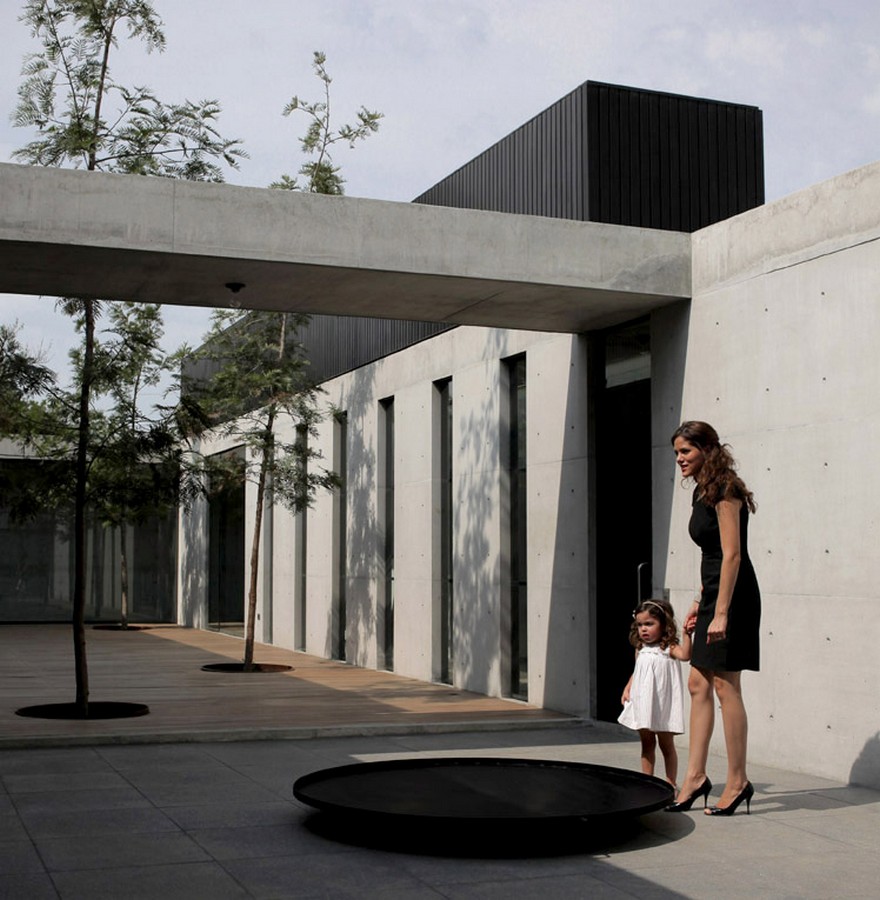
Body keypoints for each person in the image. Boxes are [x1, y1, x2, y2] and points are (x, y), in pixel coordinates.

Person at [667, 421, 761, 816]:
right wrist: (700, 602)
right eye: (676, 454)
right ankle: (695, 777)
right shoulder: (702, 491)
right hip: (713, 595)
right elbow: (710, 557)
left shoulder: (726, 490)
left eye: (685, 452)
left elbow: (732, 554)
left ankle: (738, 781)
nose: (679, 460)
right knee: (697, 683)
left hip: (735, 598)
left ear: (706, 448)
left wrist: (721, 612)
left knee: (725, 686)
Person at [619, 598, 692, 787]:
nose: (644, 629)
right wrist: (628, 688)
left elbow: (685, 656)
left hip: (662, 704)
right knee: (647, 744)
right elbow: (637, 671)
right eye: (640, 624)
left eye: (649, 624)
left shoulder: (668, 647)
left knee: (666, 745)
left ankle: (670, 784)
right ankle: (647, 783)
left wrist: (687, 635)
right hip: (643, 702)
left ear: (664, 624)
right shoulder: (640, 648)